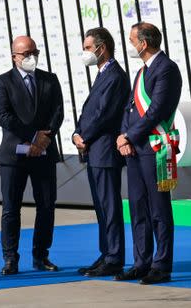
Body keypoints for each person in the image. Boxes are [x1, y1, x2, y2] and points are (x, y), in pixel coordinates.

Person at [115, 22, 182, 285]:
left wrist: (130, 135)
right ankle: (141, 262)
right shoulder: (142, 72)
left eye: (133, 40)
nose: (131, 44)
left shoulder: (167, 69)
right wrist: (124, 137)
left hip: (154, 147)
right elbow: (129, 108)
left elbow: (157, 110)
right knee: (138, 209)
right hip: (134, 150)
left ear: (143, 43)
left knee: (158, 210)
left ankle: (161, 264)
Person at [0, 36, 64, 276]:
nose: (31, 57)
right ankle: (10, 258)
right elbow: (3, 116)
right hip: (14, 155)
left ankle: (41, 255)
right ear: (14, 56)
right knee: (11, 209)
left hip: (44, 153)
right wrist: (32, 136)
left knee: (46, 206)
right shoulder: (3, 82)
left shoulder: (49, 79)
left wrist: (44, 138)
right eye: (26, 53)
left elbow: (58, 112)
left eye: (35, 51)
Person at [73, 28, 129, 277]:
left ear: (101, 47)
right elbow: (89, 111)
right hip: (95, 151)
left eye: (88, 48)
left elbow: (104, 114)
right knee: (101, 207)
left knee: (110, 206)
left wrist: (84, 136)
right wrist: (76, 132)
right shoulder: (102, 74)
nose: (86, 52)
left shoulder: (115, 75)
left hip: (105, 151)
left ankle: (115, 257)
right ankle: (106, 253)